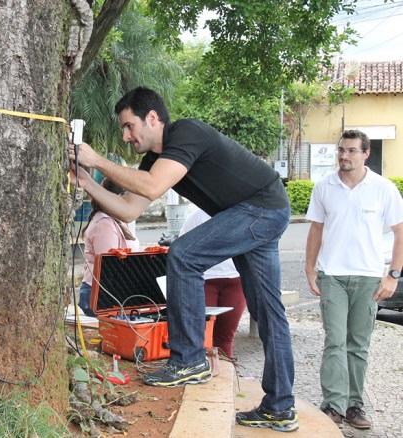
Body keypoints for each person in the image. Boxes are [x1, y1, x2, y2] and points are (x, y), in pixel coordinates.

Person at [69, 86, 297, 432]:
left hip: (261, 209)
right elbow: (129, 209)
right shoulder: (154, 161)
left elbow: (150, 187)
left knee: (183, 255)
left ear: (153, 118)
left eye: (129, 126)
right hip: (257, 213)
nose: (126, 135)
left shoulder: (187, 133)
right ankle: (280, 407)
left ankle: (189, 360)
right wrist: (87, 182)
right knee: (268, 313)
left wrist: (97, 160)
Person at [305, 129, 403, 430]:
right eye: (341, 150)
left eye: (350, 151)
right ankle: (333, 405)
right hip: (332, 275)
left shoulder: (384, 188)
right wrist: (310, 269)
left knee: (358, 344)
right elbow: (316, 230)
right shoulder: (324, 187)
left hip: (369, 278)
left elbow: (400, 232)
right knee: (335, 341)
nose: (344, 156)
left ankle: (354, 405)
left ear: (365, 154)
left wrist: (393, 275)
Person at [179, 208, 246, 357]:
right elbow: (181, 248)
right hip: (204, 280)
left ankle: (229, 377)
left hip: (236, 280)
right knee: (202, 337)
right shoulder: (197, 216)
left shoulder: (242, 212)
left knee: (226, 337)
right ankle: (204, 375)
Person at [78, 178, 140, 317]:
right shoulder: (104, 225)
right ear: (118, 198)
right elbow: (109, 267)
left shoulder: (116, 220)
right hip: (103, 294)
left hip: (114, 291)